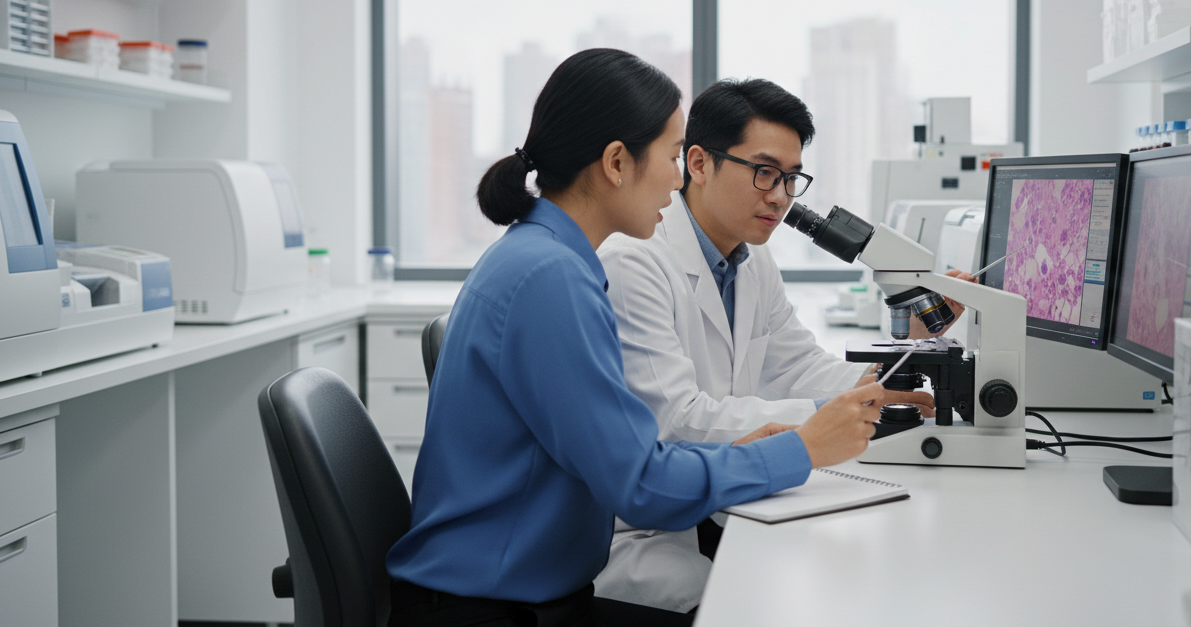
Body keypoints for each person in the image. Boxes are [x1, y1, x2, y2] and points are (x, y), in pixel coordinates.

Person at [385, 50, 884, 627]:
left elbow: (631, 454)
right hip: (496, 609)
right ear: (617, 162)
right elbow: (641, 483)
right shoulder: (553, 279)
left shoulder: (551, 259)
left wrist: (765, 446)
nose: (678, 179)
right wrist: (800, 449)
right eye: (673, 157)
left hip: (514, 586)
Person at [592, 78, 976, 613]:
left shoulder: (752, 259)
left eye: (792, 178)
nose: (780, 195)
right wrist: (824, 421)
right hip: (650, 533)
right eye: (765, 172)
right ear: (698, 164)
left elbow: (798, 366)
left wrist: (904, 360)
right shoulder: (635, 260)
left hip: (718, 508)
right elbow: (678, 421)